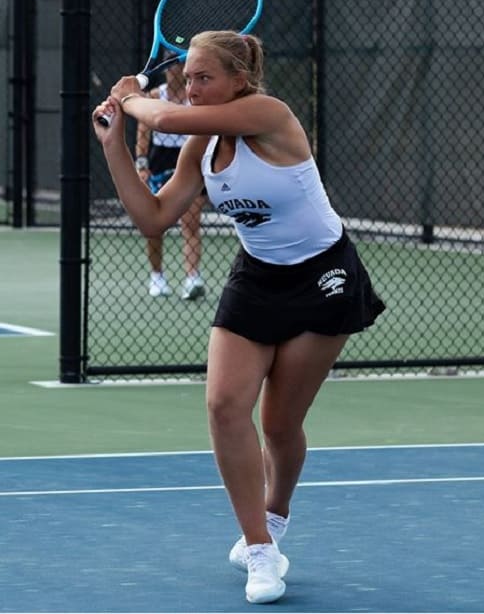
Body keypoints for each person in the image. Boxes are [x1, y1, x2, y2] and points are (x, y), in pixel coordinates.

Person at [92, 31, 385, 605]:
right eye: (188, 79)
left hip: (323, 277)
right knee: (225, 407)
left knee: (279, 425)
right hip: (257, 276)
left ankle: (274, 518)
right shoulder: (200, 147)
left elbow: (165, 115)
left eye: (204, 79)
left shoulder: (269, 114)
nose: (192, 89)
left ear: (239, 82)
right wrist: (113, 146)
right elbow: (153, 218)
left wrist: (130, 97)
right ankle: (260, 552)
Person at [133, 63, 207, 300]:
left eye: (182, 66)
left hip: (189, 159)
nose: (178, 71)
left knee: (191, 222)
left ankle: (192, 279)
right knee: (154, 225)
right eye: (174, 66)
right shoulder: (155, 96)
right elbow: (143, 134)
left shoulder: (196, 98)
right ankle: (157, 277)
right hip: (159, 161)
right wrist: (142, 164)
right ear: (166, 69)